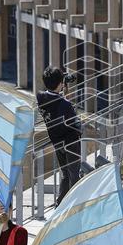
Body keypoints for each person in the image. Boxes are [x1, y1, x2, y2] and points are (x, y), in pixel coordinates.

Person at [38, 68, 82, 205]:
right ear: (60, 83)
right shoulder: (65, 105)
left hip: (57, 142)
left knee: (65, 174)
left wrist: (63, 93)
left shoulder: (41, 98)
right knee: (74, 174)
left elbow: (56, 103)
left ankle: (60, 204)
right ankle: (75, 205)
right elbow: (76, 124)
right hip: (71, 142)